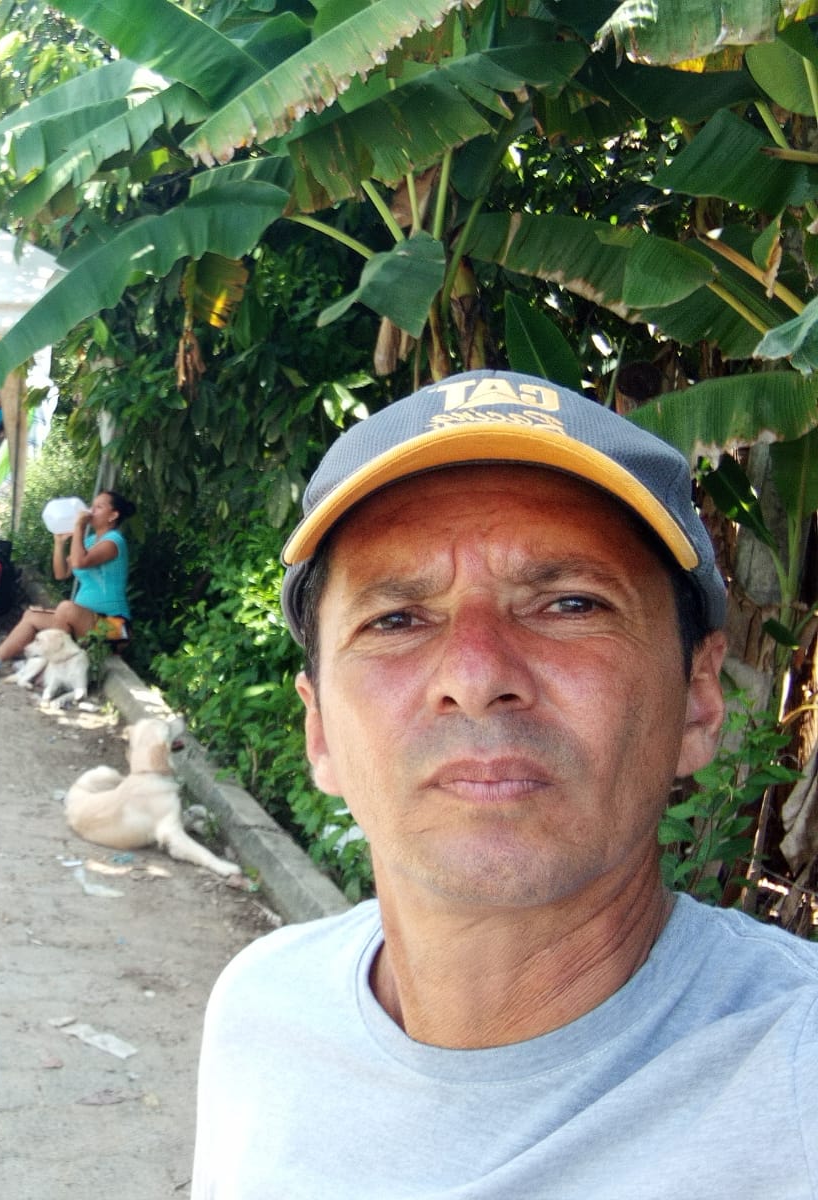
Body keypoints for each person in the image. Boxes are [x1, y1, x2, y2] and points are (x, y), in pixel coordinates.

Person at [190, 370, 818, 1197]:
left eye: (570, 605)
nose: (477, 676)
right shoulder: (262, 1012)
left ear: (699, 699)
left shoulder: (795, 1084)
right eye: (396, 619)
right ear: (321, 732)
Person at [0, 490, 134, 676]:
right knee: (32, 616)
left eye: (99, 507)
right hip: (86, 622)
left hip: (114, 628)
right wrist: (59, 542)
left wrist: (79, 528)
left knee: (66, 608)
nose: (91, 511)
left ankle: (43, 666)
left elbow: (79, 562)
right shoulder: (90, 541)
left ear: (113, 516)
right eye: (93, 505)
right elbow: (61, 573)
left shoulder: (114, 541)